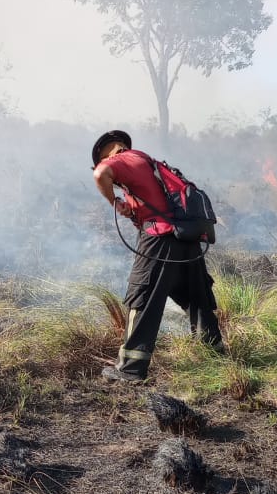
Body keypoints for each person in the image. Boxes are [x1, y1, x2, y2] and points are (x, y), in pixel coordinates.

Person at [92, 130, 223, 384]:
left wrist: (114, 202)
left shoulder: (122, 158)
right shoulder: (147, 162)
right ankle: (215, 357)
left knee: (142, 298)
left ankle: (129, 369)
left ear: (109, 152)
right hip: (186, 239)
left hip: (159, 240)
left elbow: (101, 175)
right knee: (197, 298)